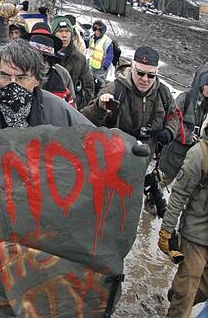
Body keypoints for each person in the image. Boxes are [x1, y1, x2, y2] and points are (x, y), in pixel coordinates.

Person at [82, 46, 178, 217]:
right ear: (131, 67)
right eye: (140, 73)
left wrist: (169, 132)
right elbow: (85, 121)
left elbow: (175, 117)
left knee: (128, 215)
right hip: (111, 167)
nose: (145, 79)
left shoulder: (163, 93)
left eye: (151, 75)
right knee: (102, 212)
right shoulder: (114, 89)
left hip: (141, 167)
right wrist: (100, 107)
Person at [0, 39, 92, 140]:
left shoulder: (57, 110)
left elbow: (96, 142)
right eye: (5, 76)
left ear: (37, 80)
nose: (12, 84)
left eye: (21, 78)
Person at [158, 118, 208, 318]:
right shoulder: (199, 154)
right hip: (195, 237)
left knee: (200, 291)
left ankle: (176, 293)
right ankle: (179, 298)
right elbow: (178, 194)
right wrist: (167, 230)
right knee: (185, 297)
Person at [160, 66, 208, 182]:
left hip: (190, 157)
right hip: (173, 153)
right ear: (200, 84)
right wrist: (189, 136)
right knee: (162, 183)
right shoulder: (185, 98)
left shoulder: (205, 105)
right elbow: (172, 121)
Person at [21, 22, 77, 107]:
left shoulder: (62, 77)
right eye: (36, 59)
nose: (41, 64)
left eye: (45, 60)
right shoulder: (16, 73)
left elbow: (71, 111)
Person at [52, 15, 95, 109]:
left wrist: (74, 104)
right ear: (53, 34)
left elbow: (89, 88)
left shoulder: (80, 59)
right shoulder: (47, 56)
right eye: (60, 31)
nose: (64, 35)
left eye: (67, 31)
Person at [85, 19, 114, 85]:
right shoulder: (92, 38)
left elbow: (110, 55)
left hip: (101, 68)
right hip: (91, 66)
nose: (97, 32)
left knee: (101, 83)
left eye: (99, 30)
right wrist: (85, 37)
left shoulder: (107, 41)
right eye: (96, 30)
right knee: (90, 82)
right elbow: (87, 47)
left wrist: (105, 65)